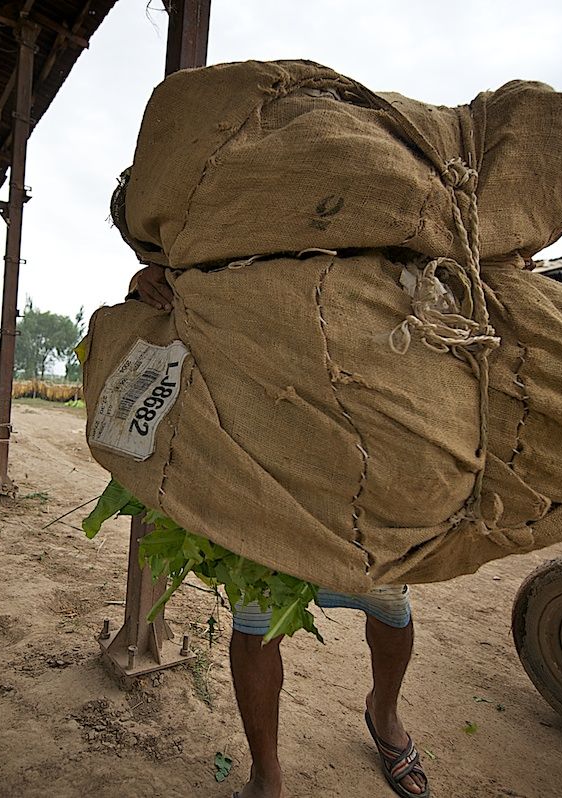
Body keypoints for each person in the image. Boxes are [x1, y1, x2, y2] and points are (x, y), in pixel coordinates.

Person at [130, 264, 429, 798]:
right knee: (256, 621)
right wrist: (145, 282)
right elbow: (170, 272)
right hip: (258, 454)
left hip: (358, 454)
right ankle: (266, 773)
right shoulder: (230, 235)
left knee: (389, 604)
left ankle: (383, 712)